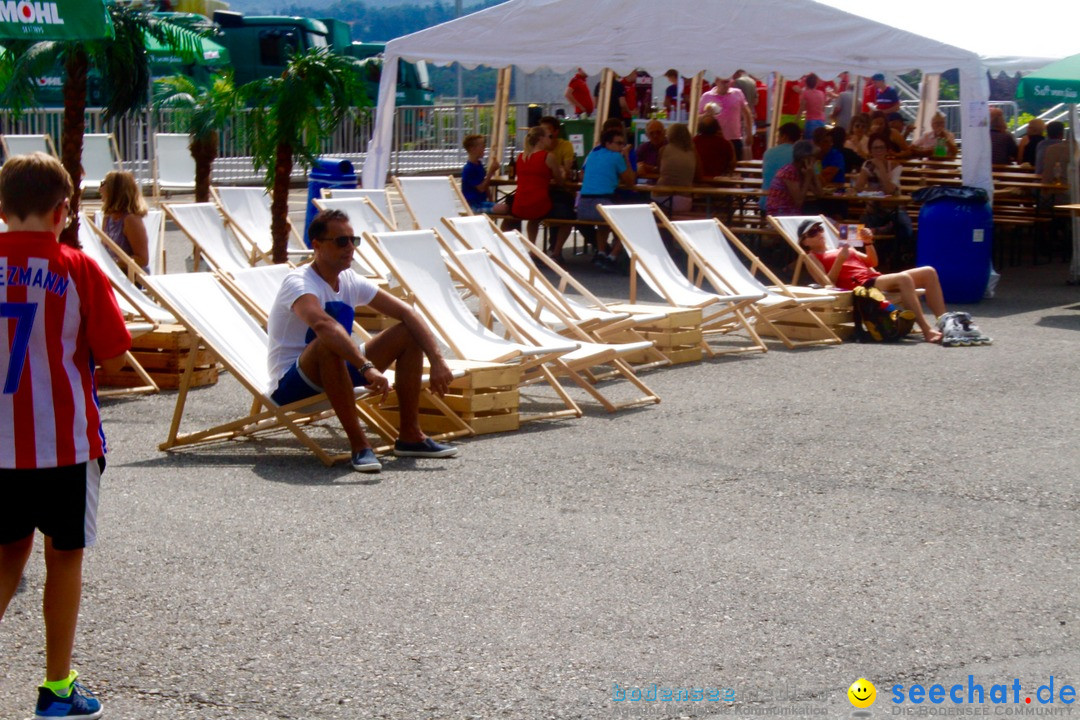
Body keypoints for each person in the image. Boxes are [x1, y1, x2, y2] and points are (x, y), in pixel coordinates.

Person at [0, 152, 132, 720]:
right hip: (66, 444)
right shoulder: (77, 267)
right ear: (63, 212)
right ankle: (56, 687)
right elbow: (115, 352)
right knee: (65, 556)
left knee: (6, 555)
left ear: (1, 210)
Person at [266, 208, 460, 473]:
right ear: (317, 246)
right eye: (341, 241)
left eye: (353, 240)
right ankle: (360, 446)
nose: (350, 248)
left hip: (339, 369)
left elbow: (407, 312)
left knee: (407, 331)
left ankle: (410, 436)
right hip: (294, 383)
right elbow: (323, 325)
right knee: (327, 342)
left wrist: (437, 361)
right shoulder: (299, 283)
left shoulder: (349, 279)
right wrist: (366, 367)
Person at [797, 219, 946, 343]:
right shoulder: (811, 257)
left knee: (929, 272)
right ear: (805, 242)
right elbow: (827, 284)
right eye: (812, 232)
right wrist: (840, 260)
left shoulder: (842, 248)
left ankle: (944, 323)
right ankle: (927, 330)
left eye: (819, 229)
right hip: (861, 286)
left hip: (874, 279)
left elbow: (872, 262)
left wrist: (868, 243)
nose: (819, 233)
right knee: (903, 278)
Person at [498, 125, 573, 256]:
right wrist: (561, 172)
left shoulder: (521, 157)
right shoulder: (548, 156)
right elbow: (560, 181)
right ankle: (556, 253)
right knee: (569, 218)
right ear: (541, 139)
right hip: (539, 204)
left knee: (534, 218)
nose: (552, 139)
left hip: (520, 204)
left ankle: (533, 250)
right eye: (549, 136)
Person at [579, 127, 635, 269]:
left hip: (583, 206)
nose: (622, 146)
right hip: (602, 205)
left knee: (603, 223)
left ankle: (602, 253)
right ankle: (612, 256)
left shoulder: (592, 155)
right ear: (608, 144)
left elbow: (582, 175)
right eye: (618, 143)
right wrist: (626, 156)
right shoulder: (616, 157)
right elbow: (630, 180)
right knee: (631, 223)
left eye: (623, 143)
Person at [99, 169, 151, 273]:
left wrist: (115, 262)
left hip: (131, 279)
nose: (100, 189)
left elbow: (142, 259)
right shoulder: (108, 217)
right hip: (113, 275)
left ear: (114, 190)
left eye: (103, 183)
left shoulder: (131, 220)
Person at [698, 77, 753, 159]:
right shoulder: (706, 96)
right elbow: (698, 119)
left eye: (728, 82)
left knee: (736, 167)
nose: (726, 85)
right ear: (716, 81)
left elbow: (747, 114)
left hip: (734, 139)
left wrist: (749, 133)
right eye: (724, 82)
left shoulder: (737, 93)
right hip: (714, 139)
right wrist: (707, 114)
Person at [766, 139, 821, 217]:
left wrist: (813, 174)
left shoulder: (801, 171)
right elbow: (799, 202)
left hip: (789, 212)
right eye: (813, 158)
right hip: (780, 214)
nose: (815, 161)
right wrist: (808, 178)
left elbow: (819, 194)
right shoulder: (789, 172)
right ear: (804, 158)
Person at [653, 122, 697, 214]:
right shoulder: (693, 152)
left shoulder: (664, 150)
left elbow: (659, 171)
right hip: (684, 201)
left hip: (662, 198)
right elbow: (699, 175)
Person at [760, 121, 801, 214]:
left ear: (784, 136)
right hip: (788, 205)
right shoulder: (800, 154)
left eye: (778, 136)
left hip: (765, 201)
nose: (777, 140)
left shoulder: (768, 153)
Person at [460, 134, 498, 213]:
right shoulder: (469, 169)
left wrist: (491, 200)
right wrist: (490, 172)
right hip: (474, 204)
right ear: (472, 149)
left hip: (482, 202)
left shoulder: (479, 165)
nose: (484, 149)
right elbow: (481, 188)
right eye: (482, 146)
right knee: (504, 209)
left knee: (507, 207)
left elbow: (485, 184)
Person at [693, 114, 735, 179]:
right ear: (717, 127)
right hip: (718, 181)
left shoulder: (693, 142)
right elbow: (732, 165)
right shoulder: (725, 143)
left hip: (698, 181)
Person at [800, 73, 828, 139]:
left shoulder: (805, 94)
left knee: (809, 143)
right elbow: (823, 108)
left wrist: (796, 121)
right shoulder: (821, 93)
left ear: (806, 83)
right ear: (816, 83)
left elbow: (802, 108)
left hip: (810, 121)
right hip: (821, 121)